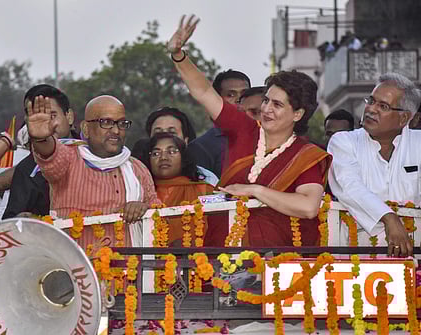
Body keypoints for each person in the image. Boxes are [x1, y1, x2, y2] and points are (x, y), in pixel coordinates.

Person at [167, 15, 332, 247]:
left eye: (277, 105)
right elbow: (204, 92)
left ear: (298, 114)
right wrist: (178, 55)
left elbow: (308, 207)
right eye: (266, 101)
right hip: (222, 252)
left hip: (277, 262)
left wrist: (254, 191)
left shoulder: (305, 155)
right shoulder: (244, 128)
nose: (266, 109)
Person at [27, 95, 160, 249]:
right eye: (106, 122)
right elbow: (50, 156)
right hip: (78, 269)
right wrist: (41, 139)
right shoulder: (69, 159)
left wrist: (144, 208)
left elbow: (158, 214)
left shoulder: (138, 169)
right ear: (86, 129)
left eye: (122, 123)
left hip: (129, 269)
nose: (116, 130)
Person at [328, 72, 421, 257]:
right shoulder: (343, 142)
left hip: (415, 255)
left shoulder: (418, 143)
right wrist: (389, 218)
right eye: (371, 101)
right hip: (357, 260)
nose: (371, 109)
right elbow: (350, 187)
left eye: (383, 106)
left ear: (404, 118)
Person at [3, 84, 77, 219]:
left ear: (69, 116)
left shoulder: (93, 155)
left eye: (52, 116)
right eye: (38, 118)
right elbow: (11, 224)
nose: (47, 125)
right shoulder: (26, 169)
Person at [143, 132, 214, 247]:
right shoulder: (140, 193)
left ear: (183, 157)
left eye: (171, 152)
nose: (163, 157)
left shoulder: (205, 191)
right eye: (156, 153)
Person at [188, 69, 251, 178]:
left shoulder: (266, 135)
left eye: (244, 94)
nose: (239, 99)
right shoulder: (201, 146)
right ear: (217, 99)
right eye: (231, 95)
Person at [131, 107, 218, 186]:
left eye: (172, 133)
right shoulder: (136, 179)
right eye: (158, 133)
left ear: (185, 141)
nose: (164, 139)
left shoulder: (207, 179)